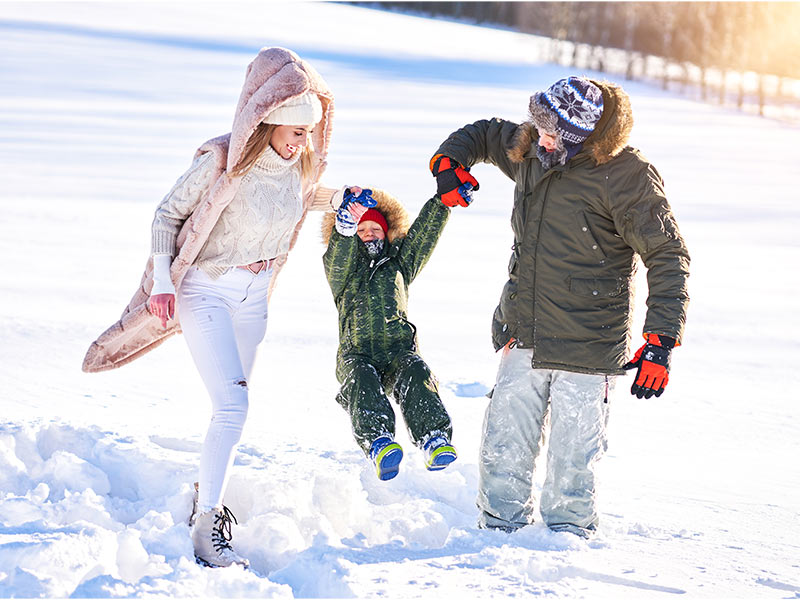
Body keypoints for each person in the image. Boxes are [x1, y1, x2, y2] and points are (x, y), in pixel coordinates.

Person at [82, 47, 347, 567]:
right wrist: (162, 282)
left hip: (255, 299)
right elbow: (166, 215)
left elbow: (301, 196)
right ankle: (208, 528)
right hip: (206, 290)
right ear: (269, 120)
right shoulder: (222, 162)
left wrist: (345, 198)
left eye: (310, 133)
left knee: (233, 406)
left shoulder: (300, 168)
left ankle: (208, 493)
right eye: (297, 131)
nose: (304, 141)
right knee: (234, 406)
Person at [431, 76, 690, 538]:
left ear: (581, 137)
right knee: (504, 445)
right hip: (524, 329)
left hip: (588, 344)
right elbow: (486, 133)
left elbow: (667, 254)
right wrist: (449, 162)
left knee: (574, 460)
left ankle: (566, 546)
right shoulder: (532, 148)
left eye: (552, 134)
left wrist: (661, 339)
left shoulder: (625, 175)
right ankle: (494, 538)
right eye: (538, 127)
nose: (539, 139)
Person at [321, 186, 468, 480]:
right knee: (361, 380)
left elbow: (421, 239)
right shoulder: (344, 271)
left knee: (416, 370)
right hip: (357, 354)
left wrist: (441, 203)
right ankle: (379, 444)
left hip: (398, 350)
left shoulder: (399, 264)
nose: (370, 233)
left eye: (376, 227)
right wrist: (345, 227)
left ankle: (434, 438)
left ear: (387, 232)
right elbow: (339, 255)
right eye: (361, 229)